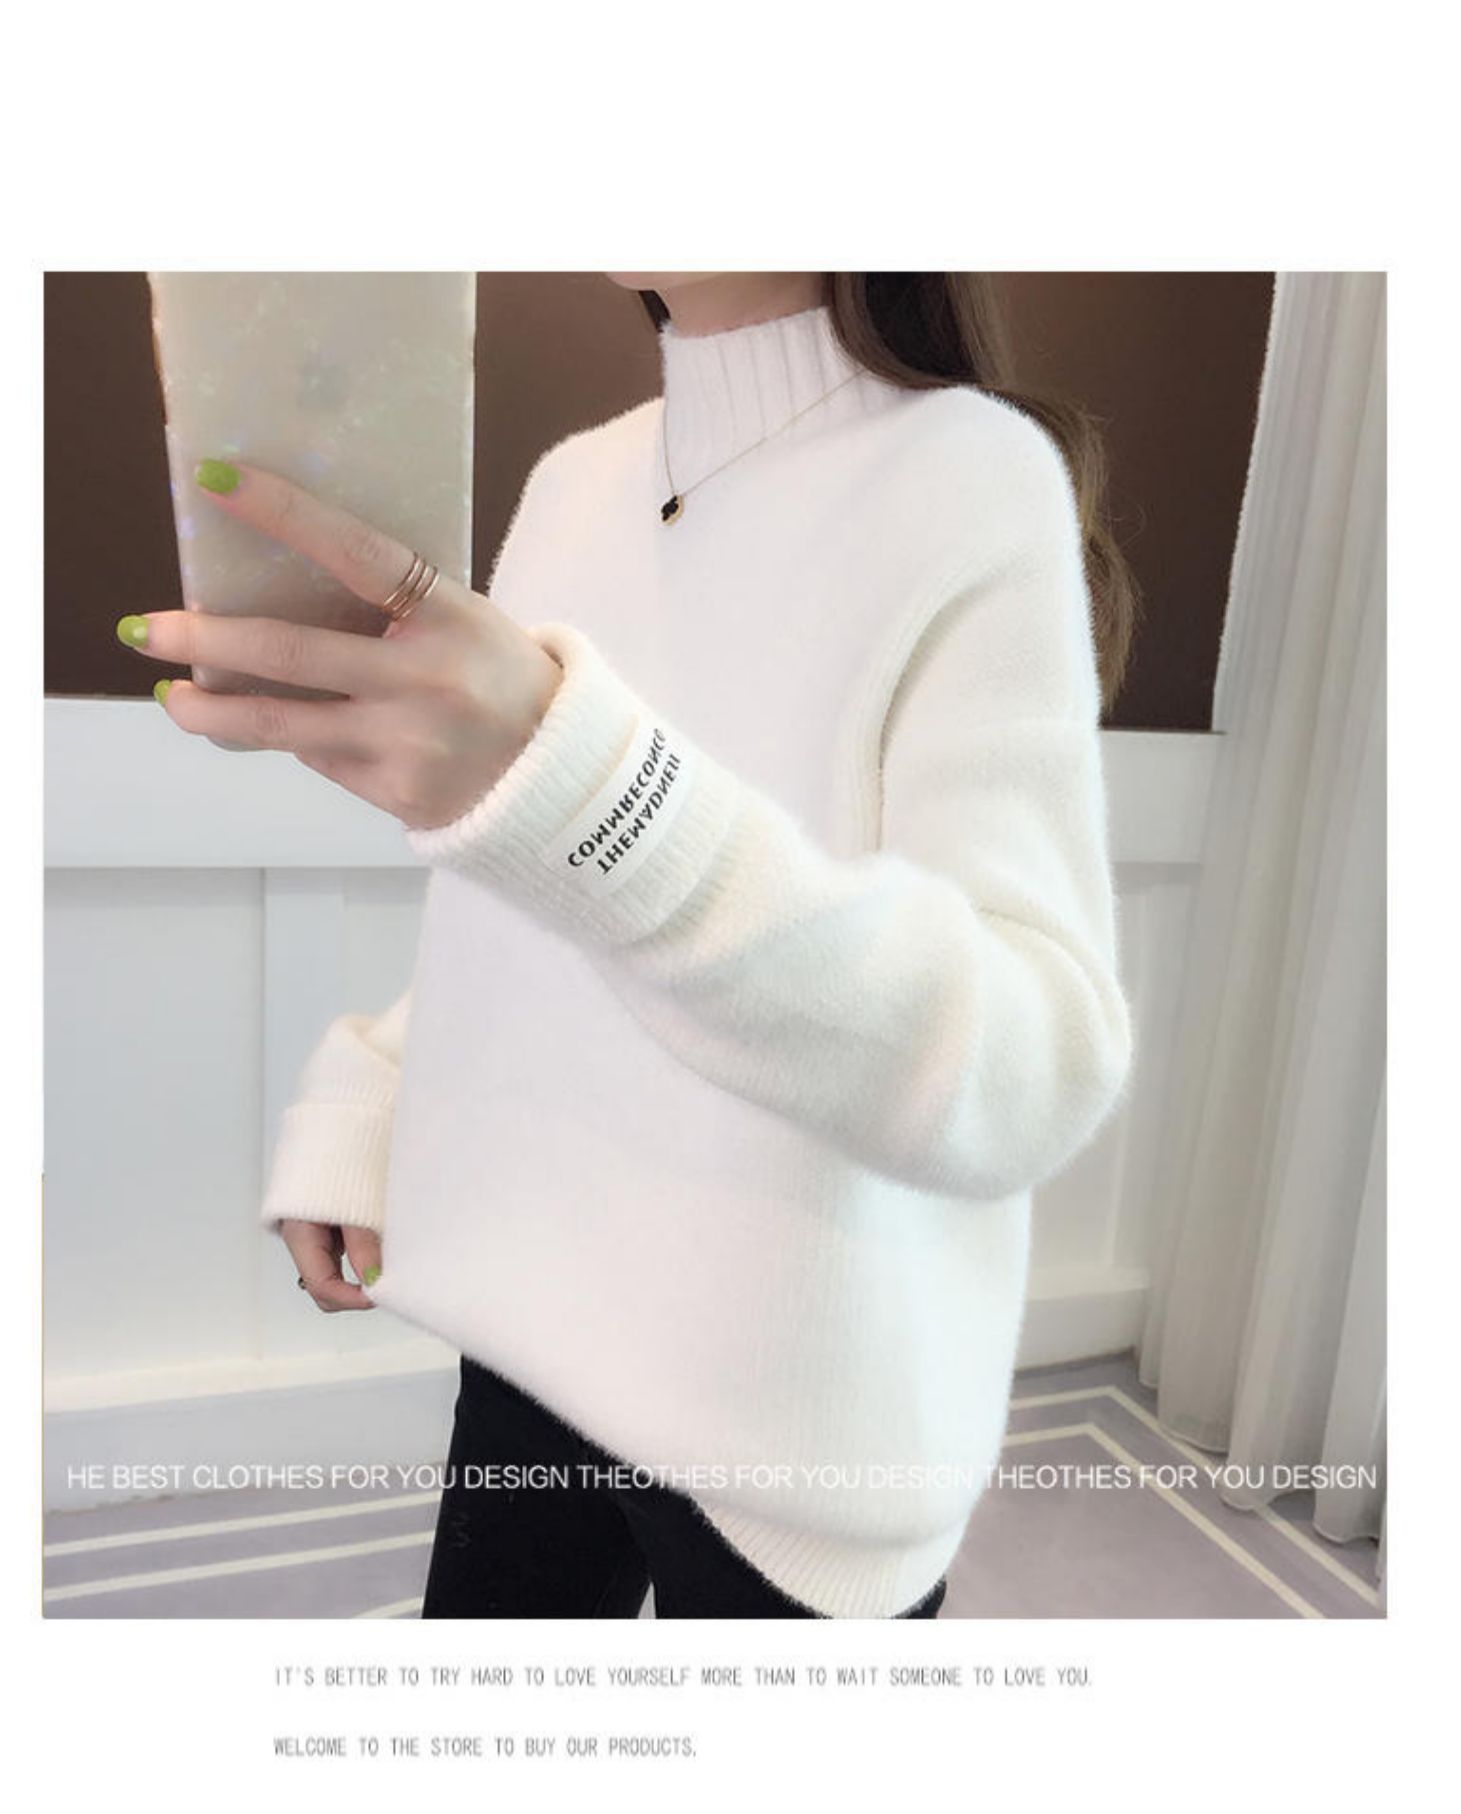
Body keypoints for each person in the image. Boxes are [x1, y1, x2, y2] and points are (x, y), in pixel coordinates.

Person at [126, 272, 1138, 1618]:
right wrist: (378, 1098)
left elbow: (1036, 1062)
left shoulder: (973, 479)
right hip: (535, 1326)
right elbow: (530, 904)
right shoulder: (573, 485)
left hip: (795, 1418)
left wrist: (602, 798)